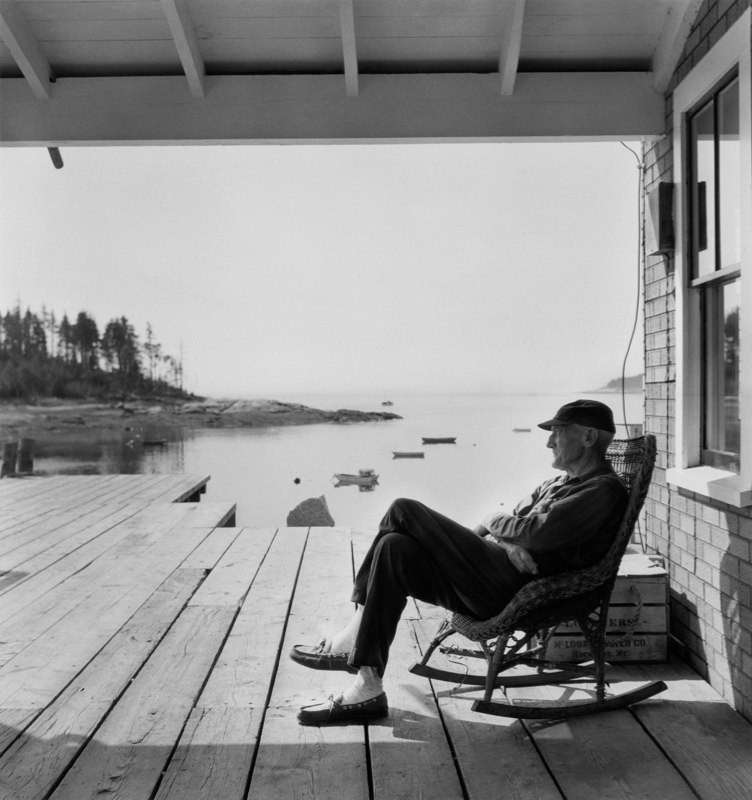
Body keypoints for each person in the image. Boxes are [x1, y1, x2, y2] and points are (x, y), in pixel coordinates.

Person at [290, 399, 628, 726]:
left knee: (403, 508)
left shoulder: (602, 490)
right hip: (490, 574)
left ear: (588, 437)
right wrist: (508, 540)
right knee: (394, 547)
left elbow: (533, 534)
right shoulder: (556, 483)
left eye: (559, 431)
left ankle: (352, 637)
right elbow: (500, 529)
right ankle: (368, 687)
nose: (549, 441)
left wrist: (496, 520)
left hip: (514, 592)